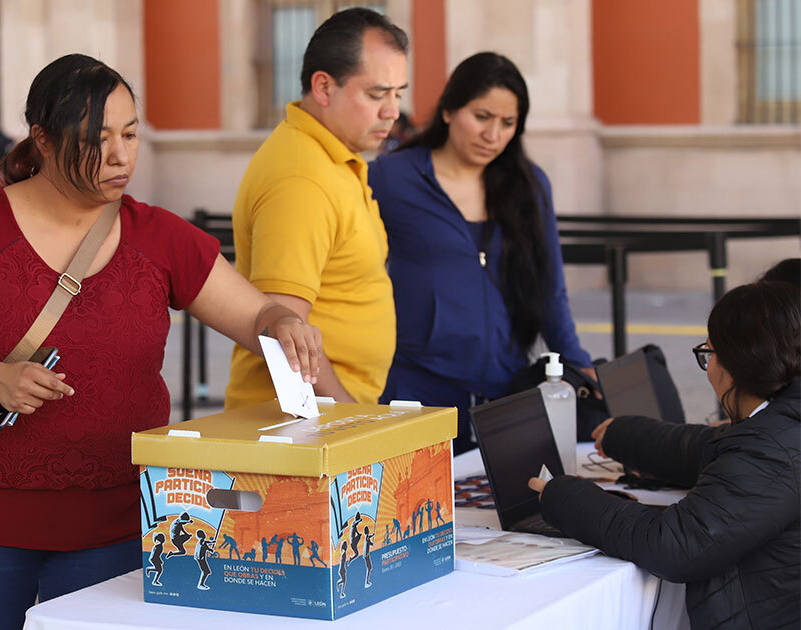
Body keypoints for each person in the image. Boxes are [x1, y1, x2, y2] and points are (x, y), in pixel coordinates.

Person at [0, 53, 323, 630]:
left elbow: (254, 314)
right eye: (97, 139)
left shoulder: (157, 236)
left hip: (117, 526)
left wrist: (279, 322)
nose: (120, 155)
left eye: (131, 134)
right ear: (41, 140)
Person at [529, 280, 800, 629]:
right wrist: (623, 435)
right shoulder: (781, 421)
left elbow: (675, 545)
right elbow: (708, 448)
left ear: (738, 364)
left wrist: (563, 496)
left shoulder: (772, 449)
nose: (709, 369)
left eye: (710, 353)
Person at [368, 52, 592, 453]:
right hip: (416, 392)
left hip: (505, 396)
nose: (494, 135)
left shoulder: (529, 185)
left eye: (508, 123)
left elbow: (550, 290)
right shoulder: (392, 178)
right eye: (483, 116)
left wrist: (579, 366)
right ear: (450, 109)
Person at [225, 8, 409, 408]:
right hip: (300, 428)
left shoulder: (333, 157)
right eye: (377, 94)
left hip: (321, 421)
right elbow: (283, 329)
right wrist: (350, 416)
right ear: (323, 87)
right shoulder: (302, 179)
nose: (392, 111)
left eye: (398, 94)